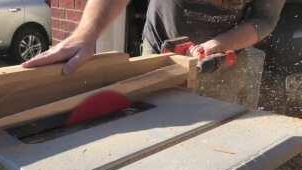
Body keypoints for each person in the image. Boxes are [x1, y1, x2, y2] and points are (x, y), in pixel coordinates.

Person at [23, 0, 285, 109]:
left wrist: (218, 45)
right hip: (162, 50)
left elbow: (265, 18)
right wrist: (85, 35)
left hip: (224, 57)